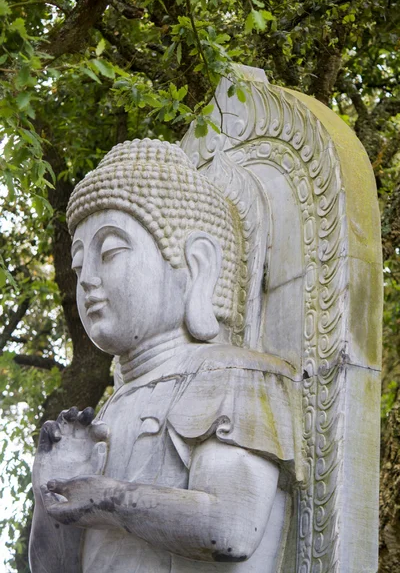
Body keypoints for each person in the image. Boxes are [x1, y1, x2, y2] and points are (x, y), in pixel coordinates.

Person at [29, 139, 298, 573]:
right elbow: (53, 569)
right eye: (79, 266)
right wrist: (50, 494)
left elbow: (230, 527)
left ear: (197, 264)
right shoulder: (110, 410)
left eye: (111, 251)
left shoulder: (235, 374)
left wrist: (104, 497)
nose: (89, 281)